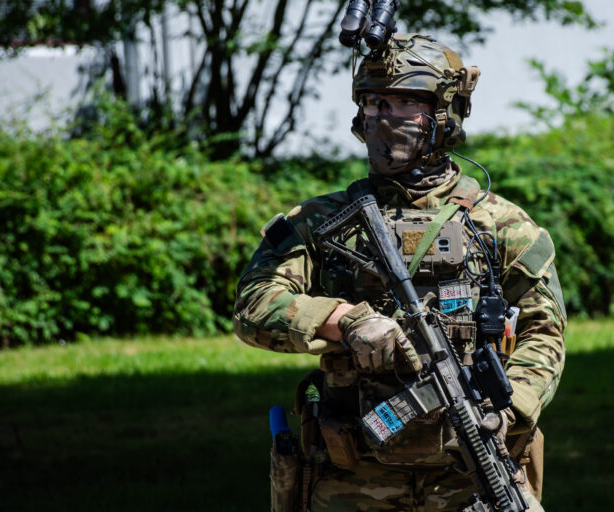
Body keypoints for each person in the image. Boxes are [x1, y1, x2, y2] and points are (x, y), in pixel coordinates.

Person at [234, 33, 566, 512]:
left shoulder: (500, 225)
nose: (385, 118)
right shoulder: (318, 221)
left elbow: (545, 327)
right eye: (374, 103)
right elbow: (254, 304)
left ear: (445, 112)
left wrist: (512, 408)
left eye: (405, 103)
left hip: (467, 476)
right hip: (351, 480)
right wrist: (345, 320)